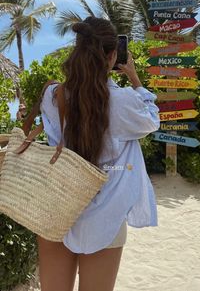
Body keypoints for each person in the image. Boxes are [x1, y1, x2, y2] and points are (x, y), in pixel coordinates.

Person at [37, 17, 160, 291]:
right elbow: (152, 119)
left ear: (77, 50)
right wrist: (135, 78)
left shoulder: (52, 95)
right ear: (113, 55)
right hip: (106, 214)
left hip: (56, 207)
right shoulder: (125, 102)